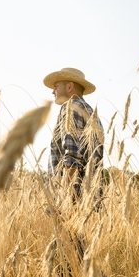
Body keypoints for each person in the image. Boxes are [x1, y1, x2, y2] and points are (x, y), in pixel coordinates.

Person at [43, 67, 104, 206]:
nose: (53, 91)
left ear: (69, 86)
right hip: (89, 198)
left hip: (72, 199)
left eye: (56, 86)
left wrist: (63, 197)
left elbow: (72, 155)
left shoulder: (70, 108)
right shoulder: (90, 112)